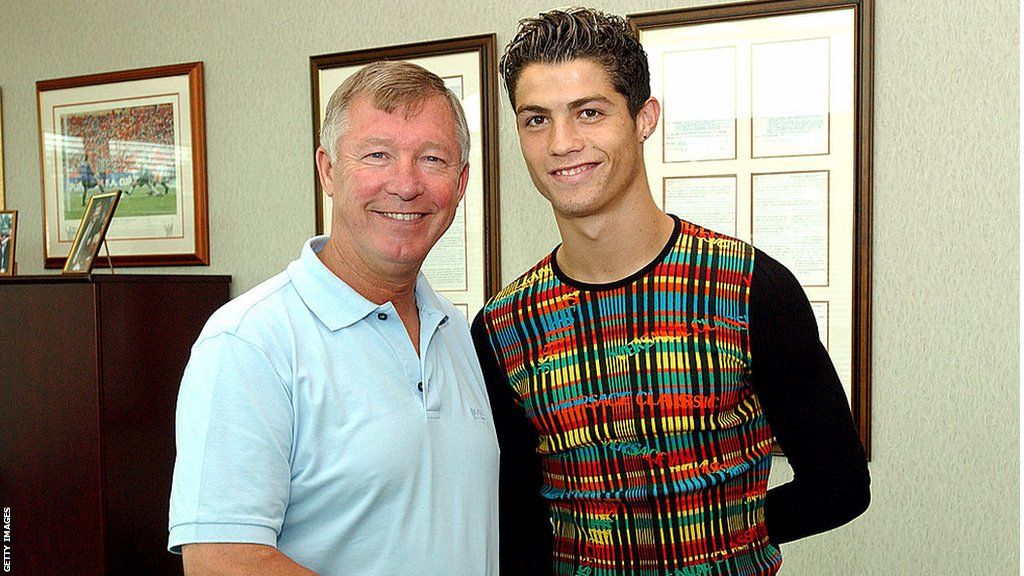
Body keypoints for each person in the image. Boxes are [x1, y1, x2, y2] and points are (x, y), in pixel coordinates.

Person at [471, 8, 870, 576]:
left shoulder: (751, 287)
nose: (562, 143)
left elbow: (841, 485)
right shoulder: (502, 327)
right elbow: (517, 523)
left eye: (589, 112)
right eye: (536, 119)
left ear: (644, 118)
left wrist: (718, 538)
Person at [169, 61, 498, 576]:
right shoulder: (249, 342)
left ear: (460, 183)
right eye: (377, 156)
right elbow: (220, 561)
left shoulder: (457, 332)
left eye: (431, 159)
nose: (405, 184)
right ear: (327, 170)